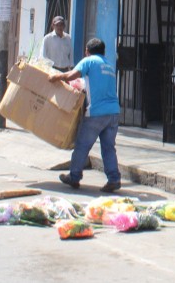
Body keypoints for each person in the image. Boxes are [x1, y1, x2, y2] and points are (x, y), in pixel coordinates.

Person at [50, 37, 122, 193]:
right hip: (113, 112)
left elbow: (72, 75)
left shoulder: (88, 61)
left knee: (82, 145)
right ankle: (114, 179)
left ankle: (74, 177)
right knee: (109, 148)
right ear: (103, 51)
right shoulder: (109, 65)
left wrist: (56, 77)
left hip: (96, 112)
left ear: (87, 51)